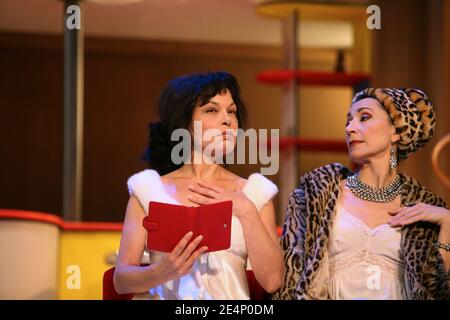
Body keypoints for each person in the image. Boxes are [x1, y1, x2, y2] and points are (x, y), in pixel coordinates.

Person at [113, 71, 283, 299]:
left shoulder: (255, 193)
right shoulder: (148, 189)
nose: (228, 120)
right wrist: (160, 272)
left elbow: (273, 281)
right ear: (186, 123)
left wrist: (245, 210)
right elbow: (121, 280)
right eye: (212, 110)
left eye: (231, 111)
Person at [273, 88, 450, 300]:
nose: (350, 128)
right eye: (348, 121)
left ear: (396, 131)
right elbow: (292, 280)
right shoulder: (315, 195)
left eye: (364, 117)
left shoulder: (423, 206)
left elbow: (436, 290)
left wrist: (447, 221)